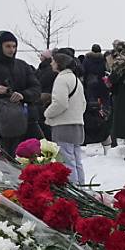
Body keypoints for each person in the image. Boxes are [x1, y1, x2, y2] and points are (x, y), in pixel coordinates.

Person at [43, 53, 86, 185]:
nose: (51, 64)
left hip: (63, 126)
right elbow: (83, 103)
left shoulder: (61, 79)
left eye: (53, 61)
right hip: (78, 124)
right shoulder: (75, 79)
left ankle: (73, 189)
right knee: (76, 160)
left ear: (59, 63)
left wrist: (47, 113)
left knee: (67, 161)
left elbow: (60, 103)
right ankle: (81, 186)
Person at [82, 44, 112, 147]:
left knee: (93, 103)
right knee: (105, 100)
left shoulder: (87, 59)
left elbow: (84, 71)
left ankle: (96, 118)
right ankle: (106, 115)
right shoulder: (103, 59)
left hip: (91, 84)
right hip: (102, 83)